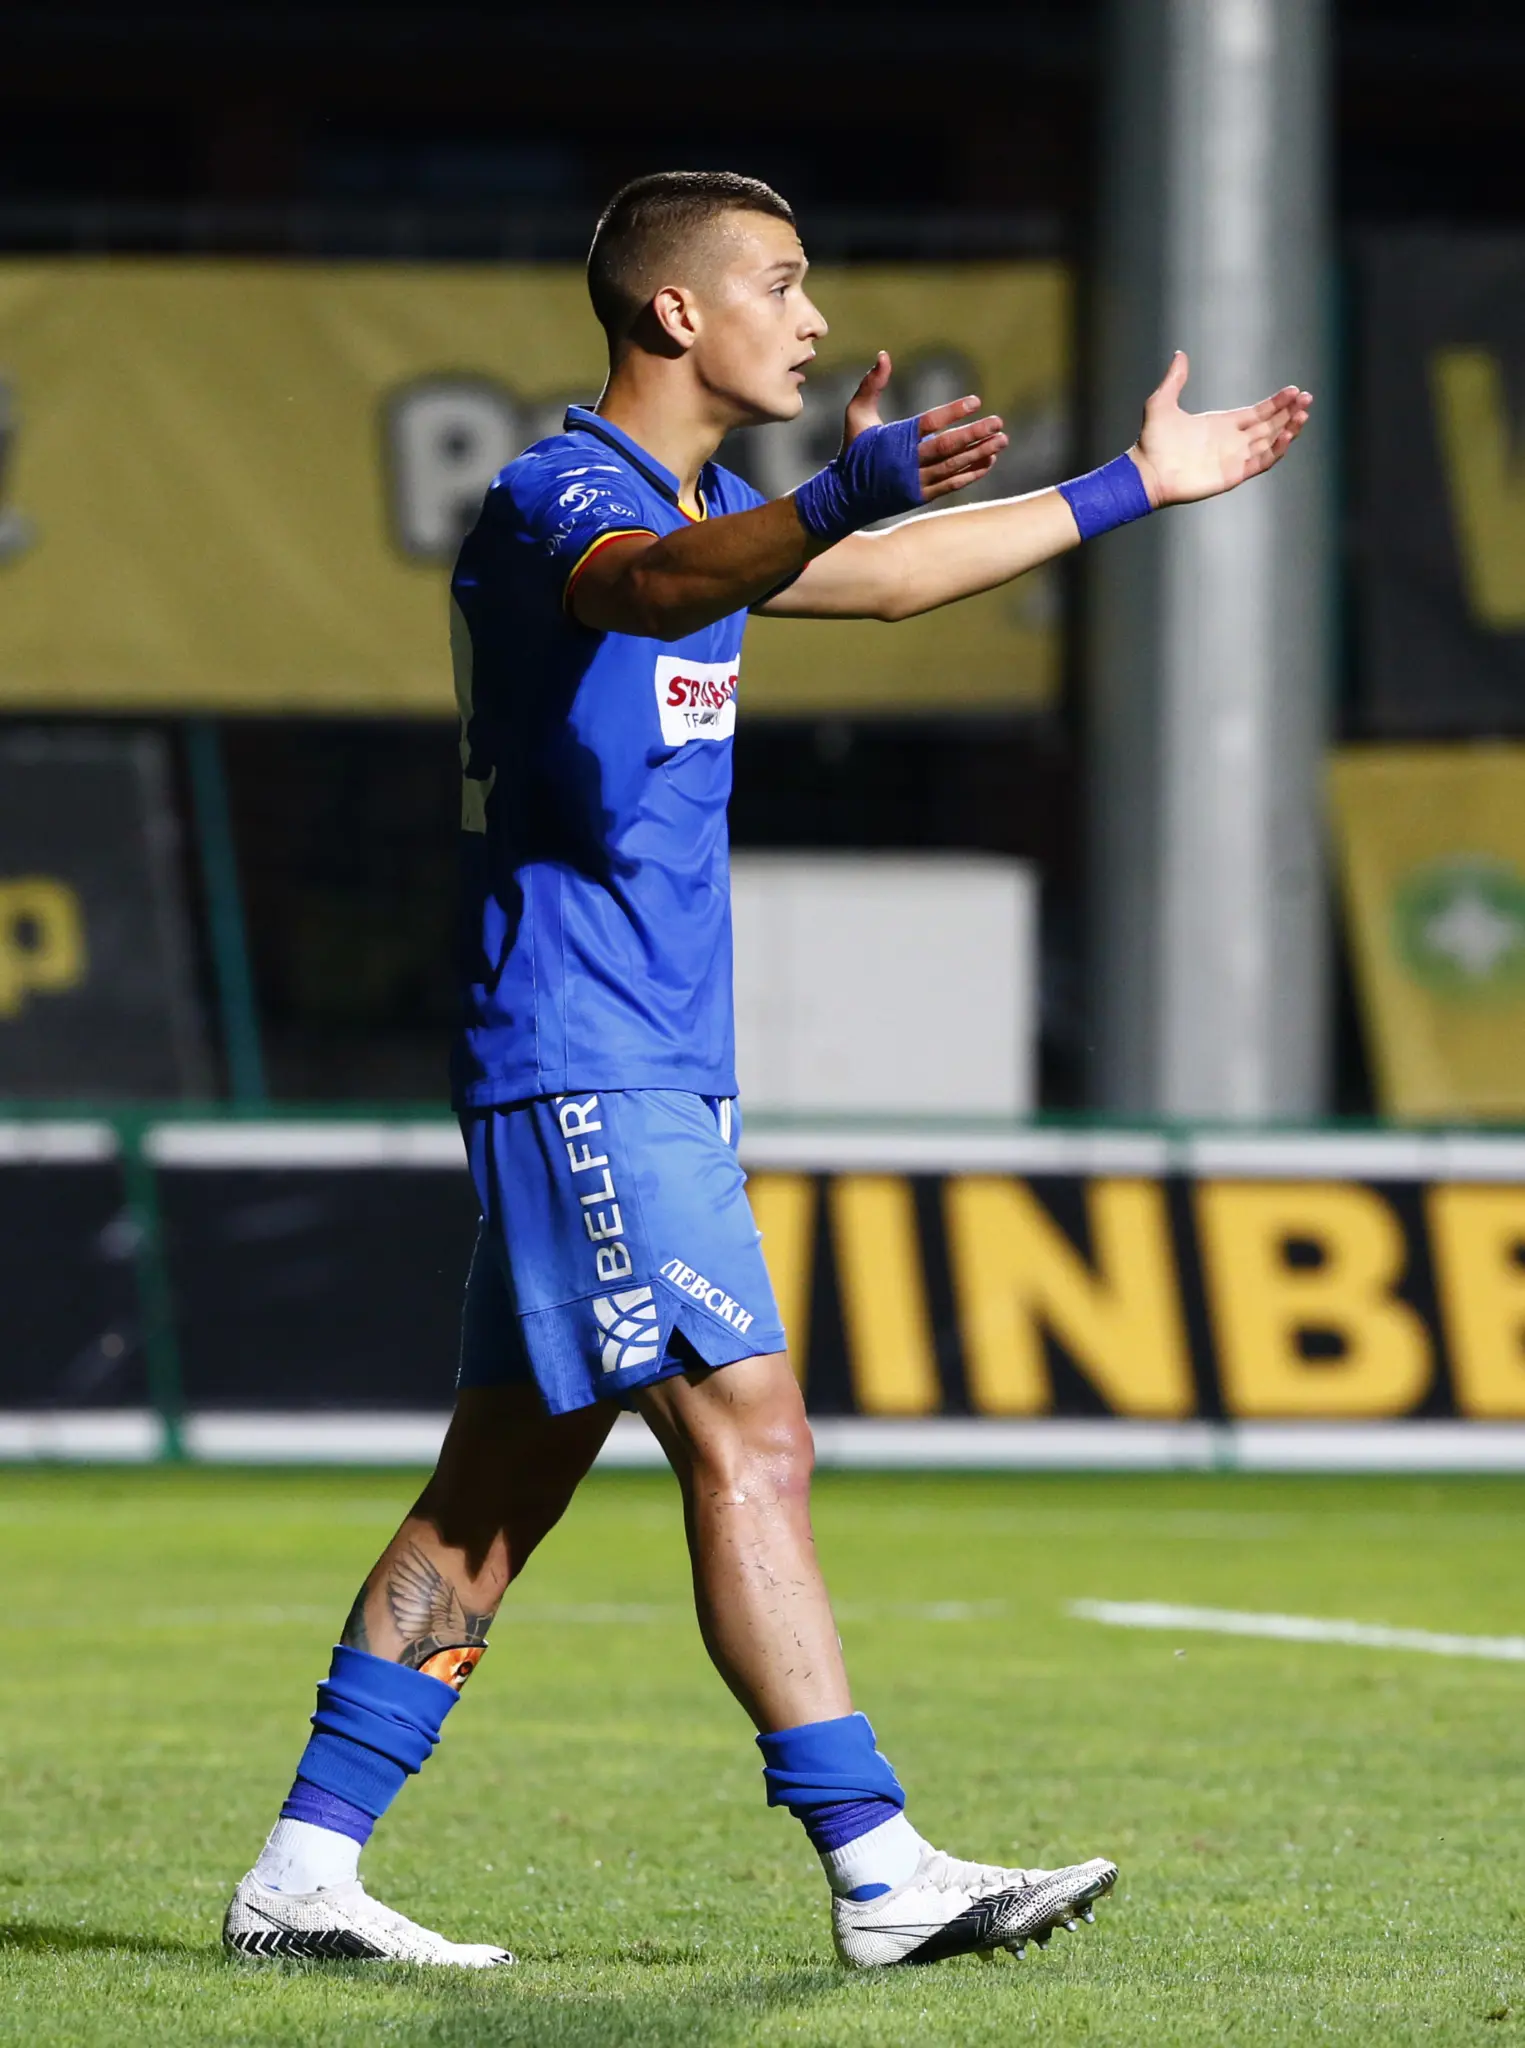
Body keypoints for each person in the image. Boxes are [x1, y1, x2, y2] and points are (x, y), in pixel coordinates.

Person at [222, 170, 1311, 1970]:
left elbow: (880, 581)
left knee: (494, 1496)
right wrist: (826, 500)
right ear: (677, 313)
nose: (812, 320)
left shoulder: (715, 512)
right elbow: (656, 590)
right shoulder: (560, 496)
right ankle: (879, 1869)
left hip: (637, 1062)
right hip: (588, 1059)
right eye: (784, 284)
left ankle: (303, 1870)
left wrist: (1133, 484)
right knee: (756, 1436)